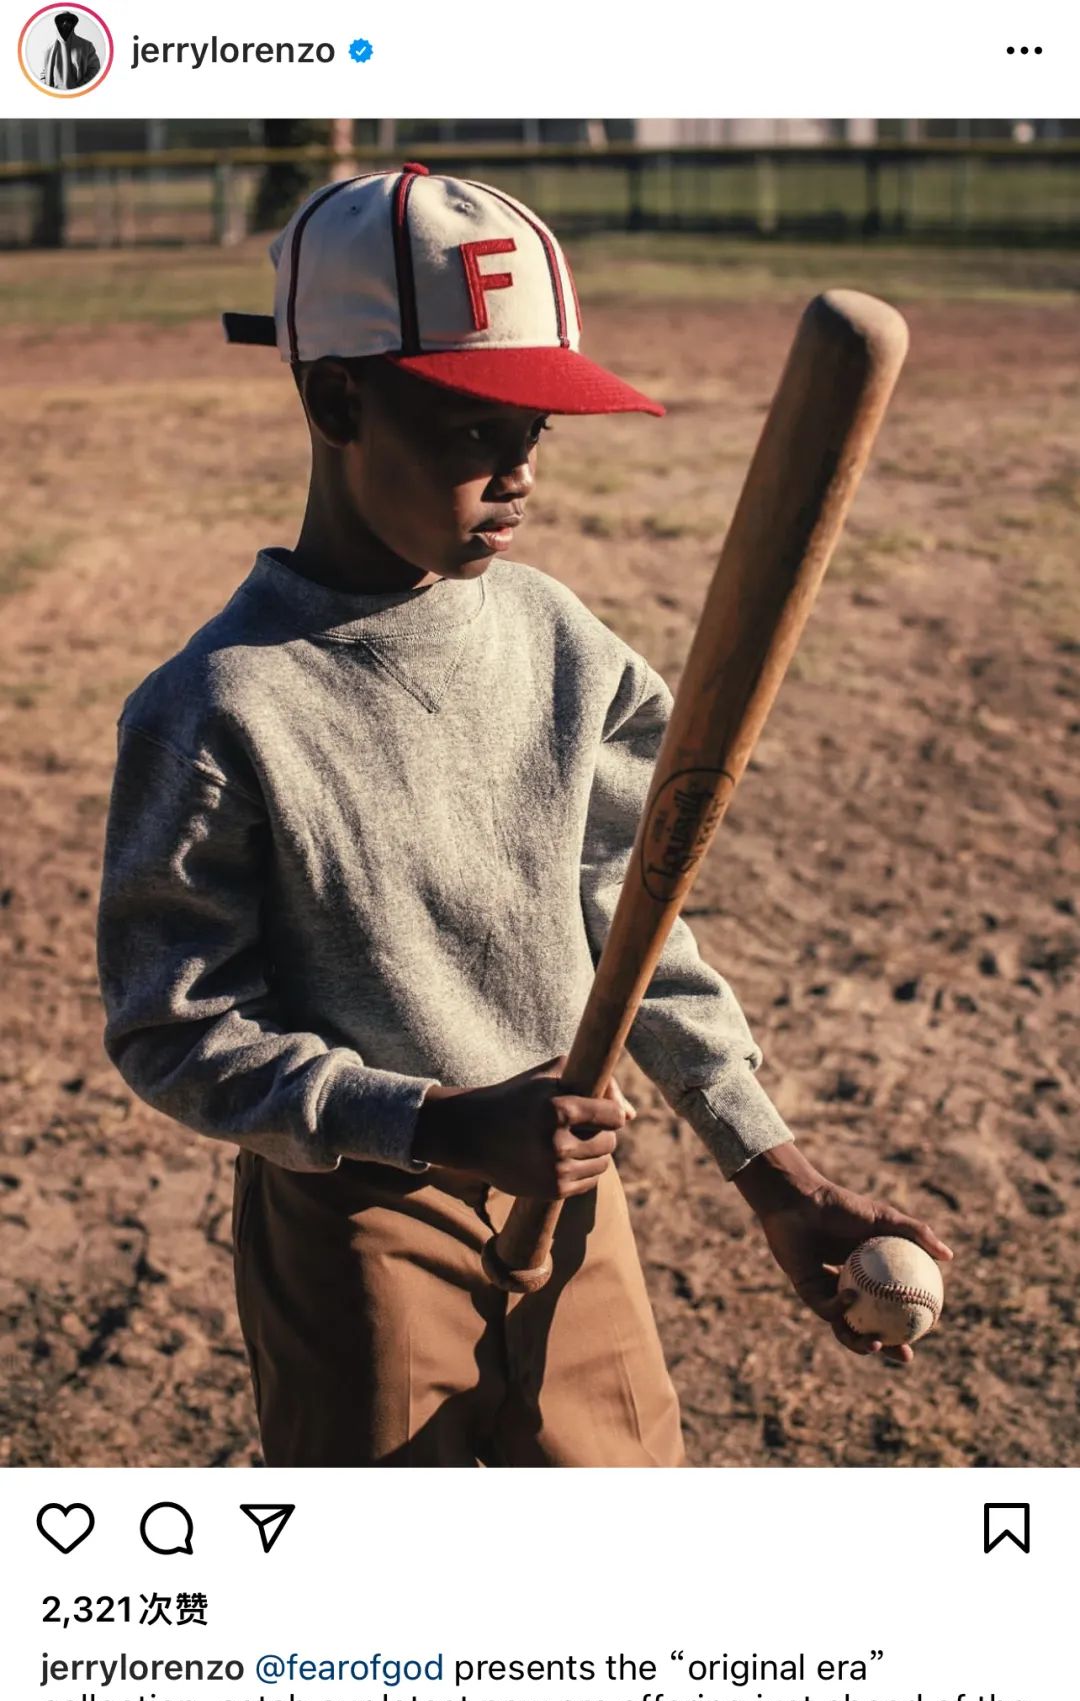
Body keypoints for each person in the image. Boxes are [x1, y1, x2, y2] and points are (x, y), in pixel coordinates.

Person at [96, 165, 951, 1468]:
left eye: (539, 428)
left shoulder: (565, 648)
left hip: (572, 1189)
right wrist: (429, 1122)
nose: (520, 471)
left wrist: (769, 1167)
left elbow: (636, 912)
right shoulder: (217, 709)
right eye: (474, 427)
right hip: (357, 1210)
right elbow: (174, 1028)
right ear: (337, 398)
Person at [39, 11, 100, 90]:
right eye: (62, 21)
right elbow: (44, 73)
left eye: (69, 21)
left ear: (73, 24)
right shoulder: (49, 49)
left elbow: (94, 69)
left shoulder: (86, 46)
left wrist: (81, 86)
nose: (65, 24)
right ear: (57, 24)